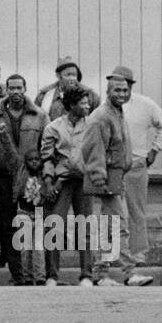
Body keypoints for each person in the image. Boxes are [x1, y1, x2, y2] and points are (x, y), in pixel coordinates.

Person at [79, 67, 154, 286]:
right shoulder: (101, 117)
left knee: (107, 227)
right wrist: (100, 177)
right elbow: (92, 149)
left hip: (116, 177)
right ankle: (129, 273)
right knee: (119, 226)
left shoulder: (116, 113)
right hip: (106, 179)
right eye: (117, 90)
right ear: (108, 91)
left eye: (125, 90)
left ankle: (100, 275)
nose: (122, 94)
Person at [0, 75, 48, 285]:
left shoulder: (39, 115)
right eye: (11, 88)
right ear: (6, 90)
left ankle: (34, 273)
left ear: (25, 88)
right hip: (4, 179)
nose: (15, 92)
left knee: (33, 226)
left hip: (32, 180)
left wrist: (44, 177)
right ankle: (17, 273)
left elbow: (46, 150)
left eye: (19, 87)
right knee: (8, 226)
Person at [39, 87, 94, 286]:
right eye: (83, 103)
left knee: (85, 226)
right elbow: (47, 156)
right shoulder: (53, 127)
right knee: (54, 226)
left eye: (88, 103)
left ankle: (87, 275)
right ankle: (52, 276)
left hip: (84, 182)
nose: (87, 106)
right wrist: (48, 180)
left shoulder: (92, 125)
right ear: (71, 105)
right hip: (61, 182)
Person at [121, 80, 162, 270]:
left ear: (131, 86)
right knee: (115, 213)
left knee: (137, 211)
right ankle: (115, 252)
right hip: (114, 167)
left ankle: (138, 254)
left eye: (123, 87)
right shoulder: (105, 108)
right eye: (115, 86)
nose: (119, 91)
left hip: (136, 164)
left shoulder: (145, 104)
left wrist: (155, 150)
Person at [13, 151, 48, 284]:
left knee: (39, 247)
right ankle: (26, 277)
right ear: (26, 162)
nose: (34, 162)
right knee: (25, 248)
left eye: (37, 159)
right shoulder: (21, 177)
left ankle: (40, 277)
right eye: (30, 160)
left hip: (39, 214)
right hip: (24, 212)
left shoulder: (44, 177)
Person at [35, 57, 100, 121]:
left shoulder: (90, 96)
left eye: (74, 75)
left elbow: (97, 121)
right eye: (68, 75)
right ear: (58, 76)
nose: (72, 79)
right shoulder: (45, 96)